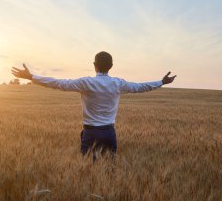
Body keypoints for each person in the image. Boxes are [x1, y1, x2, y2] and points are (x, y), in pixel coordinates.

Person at [11, 51, 176, 160]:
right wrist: (161, 82)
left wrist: (32, 76)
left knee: (87, 173)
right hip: (110, 133)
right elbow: (140, 87)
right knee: (110, 172)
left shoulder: (86, 83)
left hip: (90, 134)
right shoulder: (118, 83)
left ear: (94, 65)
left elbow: (58, 83)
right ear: (111, 67)